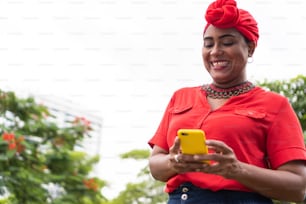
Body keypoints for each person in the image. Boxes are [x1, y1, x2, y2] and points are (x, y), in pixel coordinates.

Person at [148, 0, 306, 203]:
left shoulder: (275, 106)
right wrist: (176, 161)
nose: (215, 51)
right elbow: (156, 166)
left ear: (250, 48)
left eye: (227, 42)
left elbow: (298, 188)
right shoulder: (181, 97)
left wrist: (236, 169)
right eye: (208, 44)